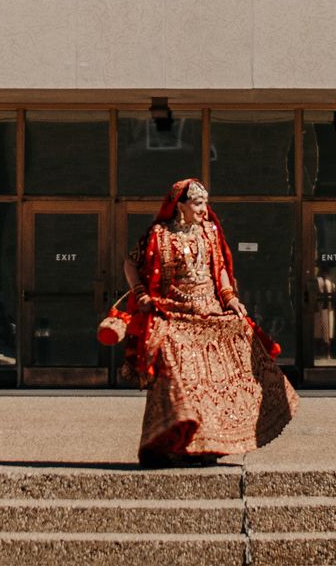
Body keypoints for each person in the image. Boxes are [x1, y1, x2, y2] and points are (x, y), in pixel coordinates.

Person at [122, 179, 299, 465]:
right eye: (198, 203)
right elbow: (130, 263)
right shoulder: (159, 234)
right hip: (173, 316)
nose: (204, 209)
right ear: (180, 205)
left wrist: (230, 299)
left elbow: (220, 270)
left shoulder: (210, 233)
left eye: (205, 203)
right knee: (180, 381)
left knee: (215, 385)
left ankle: (206, 447)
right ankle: (171, 446)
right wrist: (140, 292)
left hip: (210, 316)